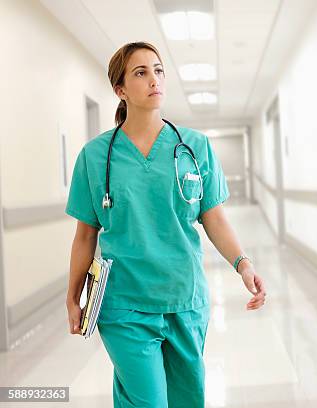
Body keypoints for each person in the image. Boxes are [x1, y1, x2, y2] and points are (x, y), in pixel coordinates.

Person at [64, 41, 266, 407]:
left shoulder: (195, 147)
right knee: (148, 402)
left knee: (188, 399)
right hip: (124, 303)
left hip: (184, 297)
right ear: (120, 90)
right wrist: (73, 297)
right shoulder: (94, 157)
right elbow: (84, 236)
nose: (154, 79)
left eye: (158, 70)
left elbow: (214, 218)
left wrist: (243, 264)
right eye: (141, 73)